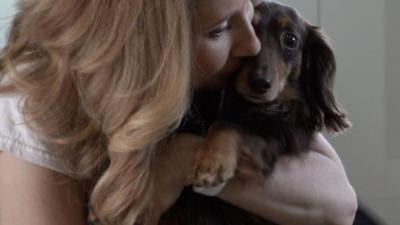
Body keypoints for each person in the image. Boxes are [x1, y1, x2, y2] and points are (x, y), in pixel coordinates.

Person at [0, 0, 357, 225]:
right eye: (219, 30)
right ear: (152, 45)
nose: (251, 45)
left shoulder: (230, 74)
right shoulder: (32, 108)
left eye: (246, 11)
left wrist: (180, 160)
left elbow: (339, 203)